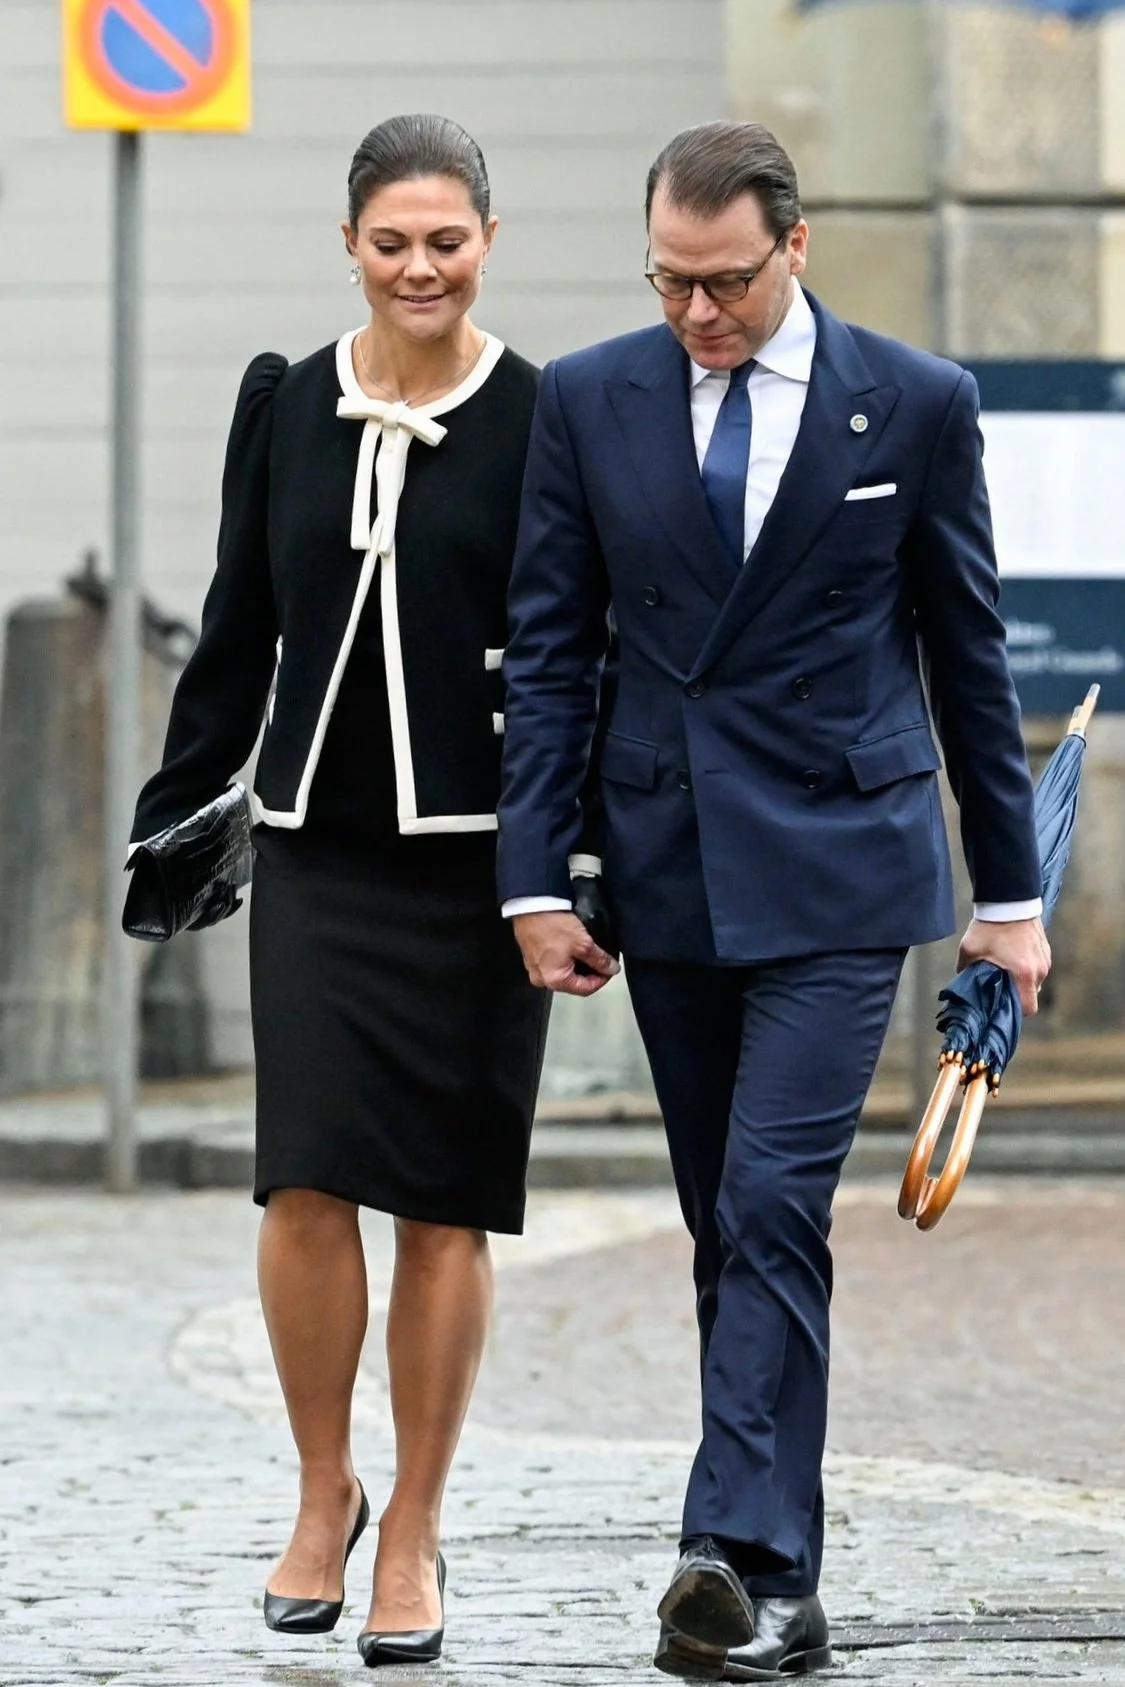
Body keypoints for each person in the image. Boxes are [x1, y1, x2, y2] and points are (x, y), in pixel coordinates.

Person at [497, 121, 1051, 1680]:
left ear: (794, 248)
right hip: (665, 864)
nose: (699, 313)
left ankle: (723, 1548)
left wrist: (1008, 898)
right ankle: (780, 1587)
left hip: (843, 865)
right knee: (725, 1227)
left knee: (769, 1204)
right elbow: (553, 652)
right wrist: (535, 876)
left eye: (728, 281)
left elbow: (969, 654)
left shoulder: (917, 401)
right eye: (670, 282)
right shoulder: (588, 397)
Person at [130, 114, 550, 1669]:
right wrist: (176, 814)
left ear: (487, 241)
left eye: (447, 241)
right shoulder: (286, 404)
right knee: (303, 1179)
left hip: (482, 863)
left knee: (445, 1198)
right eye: (392, 242)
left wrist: (577, 861)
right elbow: (238, 621)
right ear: (351, 245)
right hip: (316, 846)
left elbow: (574, 655)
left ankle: (416, 1528)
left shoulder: (544, 418)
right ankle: (327, 1491)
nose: (419, 267)